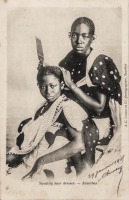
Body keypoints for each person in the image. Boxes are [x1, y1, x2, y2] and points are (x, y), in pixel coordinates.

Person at [6, 65, 90, 181]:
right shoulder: (41, 107)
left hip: (51, 165)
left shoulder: (66, 107)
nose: (48, 91)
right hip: (31, 160)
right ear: (38, 86)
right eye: (43, 87)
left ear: (61, 84)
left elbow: (78, 144)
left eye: (52, 86)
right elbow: (33, 142)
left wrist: (41, 161)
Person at [59, 17, 122, 167]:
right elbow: (62, 76)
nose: (79, 41)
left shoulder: (98, 62)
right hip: (81, 113)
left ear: (92, 38)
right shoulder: (72, 56)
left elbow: (100, 107)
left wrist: (72, 86)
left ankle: (83, 171)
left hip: (101, 120)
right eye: (74, 35)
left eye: (84, 36)